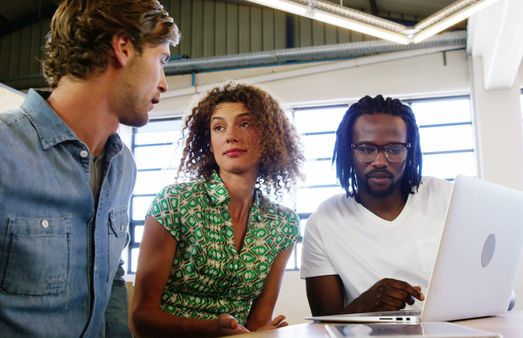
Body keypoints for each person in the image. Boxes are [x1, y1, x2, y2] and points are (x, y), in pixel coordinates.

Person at [0, 1, 180, 336]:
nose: (164, 83)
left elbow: (109, 275)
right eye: (162, 60)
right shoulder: (5, 151)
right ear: (123, 47)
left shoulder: (122, 165)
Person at [130, 82, 305, 337]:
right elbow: (141, 319)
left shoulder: (282, 223)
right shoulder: (176, 202)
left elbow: (257, 323)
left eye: (244, 123)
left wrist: (260, 333)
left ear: (269, 136)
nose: (230, 135)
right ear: (210, 142)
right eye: (219, 127)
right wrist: (212, 330)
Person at [300, 95, 453, 316]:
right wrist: (366, 305)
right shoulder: (324, 222)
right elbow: (325, 327)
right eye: (365, 148)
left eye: (394, 148)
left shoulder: (445, 197)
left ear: (410, 150)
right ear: (348, 152)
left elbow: (497, 292)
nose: (380, 161)